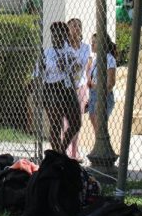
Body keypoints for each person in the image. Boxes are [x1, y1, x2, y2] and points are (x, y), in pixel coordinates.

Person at [42, 21, 80, 155]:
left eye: (59, 35)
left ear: (65, 36)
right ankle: (57, 153)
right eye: (53, 35)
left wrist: (72, 65)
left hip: (68, 88)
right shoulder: (47, 52)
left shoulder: (69, 51)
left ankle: (61, 150)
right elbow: (39, 72)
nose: (55, 38)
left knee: (76, 122)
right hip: (52, 88)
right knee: (56, 123)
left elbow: (78, 66)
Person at [86, 32, 117, 150]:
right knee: (95, 121)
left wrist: (100, 94)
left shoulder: (109, 59)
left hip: (103, 95)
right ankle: (100, 147)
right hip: (94, 94)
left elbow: (111, 83)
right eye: (92, 42)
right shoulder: (96, 59)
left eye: (94, 42)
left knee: (100, 123)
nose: (92, 44)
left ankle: (104, 149)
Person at [65, 18, 91, 160]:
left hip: (79, 86)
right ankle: (66, 150)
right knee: (65, 120)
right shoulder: (63, 47)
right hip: (67, 86)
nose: (75, 29)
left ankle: (75, 150)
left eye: (78, 26)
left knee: (77, 121)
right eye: (72, 26)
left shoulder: (85, 47)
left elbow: (81, 65)